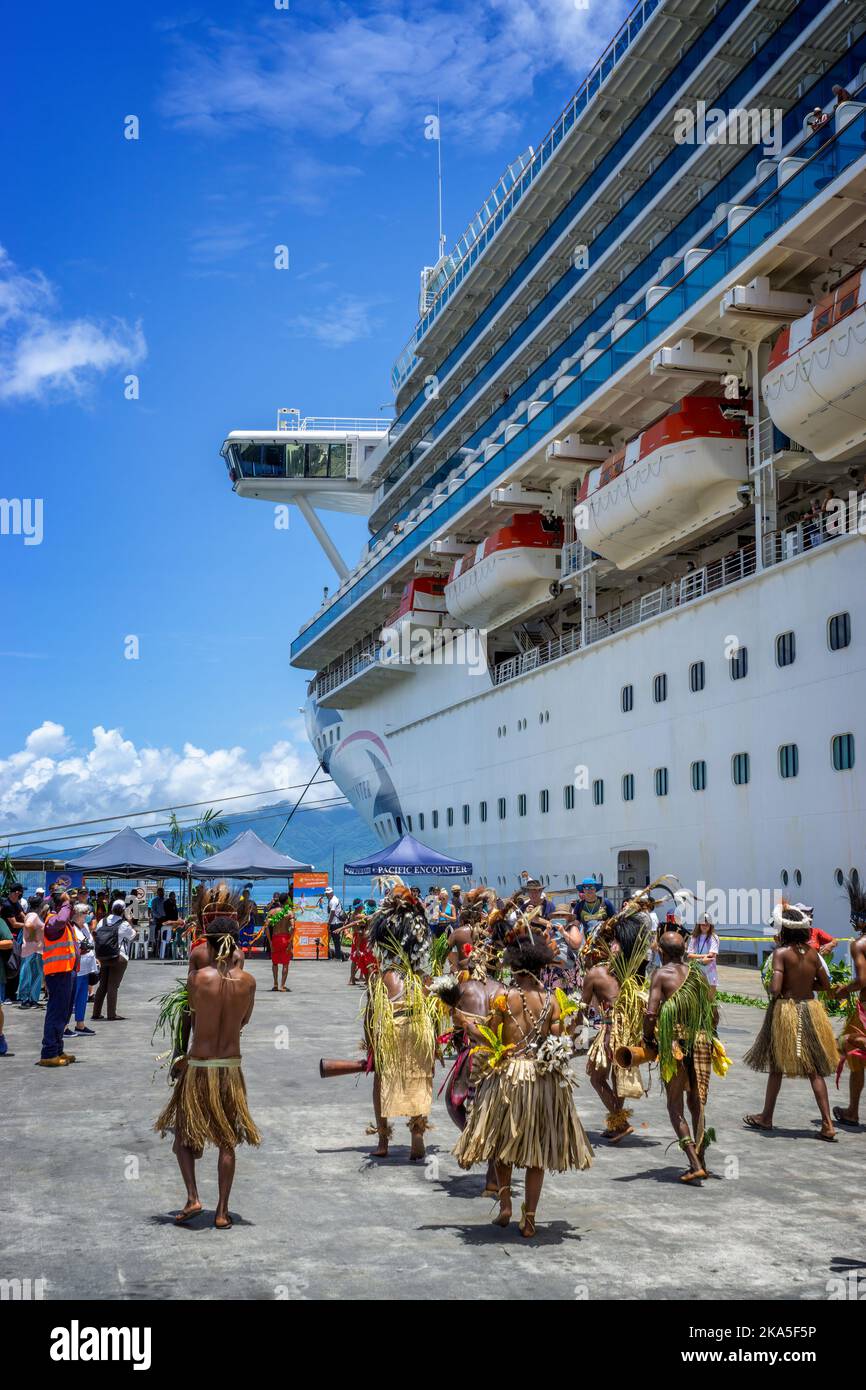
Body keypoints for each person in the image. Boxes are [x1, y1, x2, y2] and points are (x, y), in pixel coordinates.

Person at [454, 924, 593, 1236]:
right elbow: (559, 1042)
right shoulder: (552, 1001)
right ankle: (529, 1218)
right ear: (539, 968)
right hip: (541, 1080)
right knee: (536, 1154)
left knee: (502, 1146)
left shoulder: (506, 998)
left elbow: (489, 1038)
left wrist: (464, 1022)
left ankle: (505, 1205)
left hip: (510, 1077)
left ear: (515, 968)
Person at [155, 885, 260, 1229]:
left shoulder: (197, 979)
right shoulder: (249, 982)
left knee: (183, 1139)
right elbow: (243, 1021)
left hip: (199, 1067)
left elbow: (190, 1016)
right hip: (230, 1069)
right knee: (228, 1141)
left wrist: (178, 1055)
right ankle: (222, 1211)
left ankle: (192, 1197)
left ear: (208, 942)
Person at [743, 904, 839, 1141]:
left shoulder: (781, 953)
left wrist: (777, 986)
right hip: (810, 1009)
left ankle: (766, 1117)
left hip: (787, 1010)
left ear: (785, 930)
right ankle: (827, 1124)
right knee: (814, 1068)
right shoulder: (813, 953)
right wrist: (806, 985)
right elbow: (826, 986)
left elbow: (775, 989)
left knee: (776, 1064)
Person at [365, 887, 436, 1161]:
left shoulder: (386, 976)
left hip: (393, 1030)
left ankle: (383, 1139)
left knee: (382, 1081)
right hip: (420, 1027)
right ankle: (417, 1133)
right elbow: (432, 1011)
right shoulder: (422, 978)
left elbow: (373, 1013)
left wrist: (372, 1044)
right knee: (421, 1078)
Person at [644, 927, 720, 1182]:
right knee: (696, 1102)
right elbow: (713, 1012)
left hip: (674, 1045)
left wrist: (648, 1039)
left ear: (662, 953)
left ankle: (694, 1162)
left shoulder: (661, 974)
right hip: (700, 1042)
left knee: (675, 1105)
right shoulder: (697, 975)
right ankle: (702, 1159)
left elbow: (651, 1013)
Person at [581, 912, 653, 1142]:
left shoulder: (597, 974)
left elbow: (582, 1009)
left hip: (611, 1032)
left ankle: (620, 1123)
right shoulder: (635, 973)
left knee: (595, 1077)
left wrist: (573, 1032)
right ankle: (615, 1123)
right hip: (631, 1033)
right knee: (617, 1078)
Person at [832, 877, 866, 1127]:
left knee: (849, 1045)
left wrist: (845, 989)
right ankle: (852, 1110)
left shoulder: (859, 945)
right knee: (856, 1057)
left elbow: (862, 979)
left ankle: (853, 1111)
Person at [39, 891, 79, 1067]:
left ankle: (57, 1049)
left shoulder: (64, 924)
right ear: (59, 906)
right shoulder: (52, 921)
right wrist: (65, 902)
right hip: (58, 973)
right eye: (68, 906)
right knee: (56, 1013)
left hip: (66, 971)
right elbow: (62, 919)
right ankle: (48, 1053)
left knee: (63, 1013)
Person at [91, 899, 136, 1021]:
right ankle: (111, 1014)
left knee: (103, 985)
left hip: (103, 956)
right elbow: (133, 935)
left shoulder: (102, 921)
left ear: (111, 909)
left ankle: (96, 1013)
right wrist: (130, 919)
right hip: (118, 957)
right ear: (123, 911)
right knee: (113, 985)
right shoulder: (124, 924)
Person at [65, 904, 97, 1038]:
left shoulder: (84, 927)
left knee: (82, 998)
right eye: (86, 913)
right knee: (70, 999)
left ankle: (80, 1024)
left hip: (86, 968)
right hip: (76, 968)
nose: (88, 916)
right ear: (78, 914)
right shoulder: (71, 928)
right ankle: (64, 1026)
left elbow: (90, 943)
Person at [18, 898, 46, 1009]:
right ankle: (26, 999)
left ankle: (33, 999)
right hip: (31, 950)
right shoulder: (33, 915)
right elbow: (28, 925)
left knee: (36, 975)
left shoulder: (34, 914)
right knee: (28, 974)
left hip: (36, 950)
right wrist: (34, 935)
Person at [688, 912, 720, 998]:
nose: (705, 926)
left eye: (707, 924)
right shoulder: (694, 937)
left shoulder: (713, 937)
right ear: (698, 925)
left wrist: (698, 957)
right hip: (696, 972)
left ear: (710, 925)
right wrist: (702, 958)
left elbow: (711, 956)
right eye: (702, 924)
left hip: (710, 973)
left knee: (709, 1001)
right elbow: (690, 955)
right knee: (697, 999)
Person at [266, 893, 294, 991]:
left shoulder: (272, 911)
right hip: (285, 938)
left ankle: (275, 984)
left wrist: (270, 942)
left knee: (274, 963)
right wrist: (290, 943)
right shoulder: (289, 912)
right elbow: (293, 927)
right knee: (285, 963)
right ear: (286, 901)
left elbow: (266, 927)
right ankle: (282, 985)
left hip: (275, 938)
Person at [326, 886, 345, 961]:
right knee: (335, 940)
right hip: (337, 922)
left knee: (336, 940)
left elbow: (332, 912)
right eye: (326, 893)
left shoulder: (333, 901)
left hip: (335, 923)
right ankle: (337, 955)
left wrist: (329, 923)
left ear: (332, 893)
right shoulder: (334, 899)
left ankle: (338, 957)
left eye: (328, 893)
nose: (327, 895)